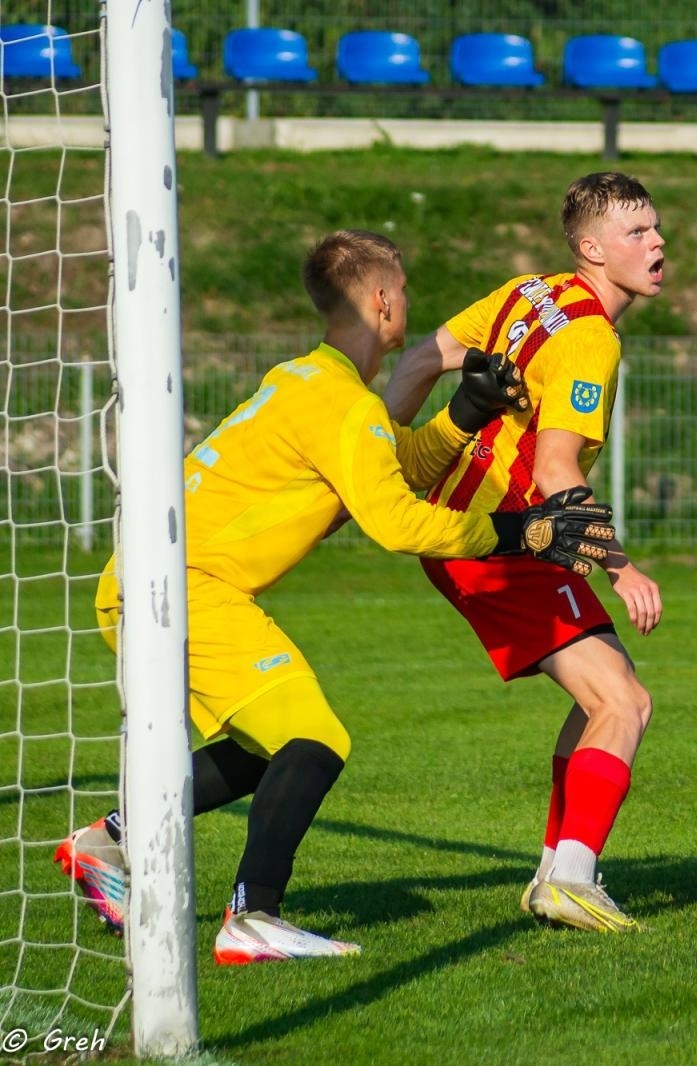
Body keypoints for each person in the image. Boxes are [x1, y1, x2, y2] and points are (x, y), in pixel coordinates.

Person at [54, 229, 594, 964]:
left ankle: (106, 841)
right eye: (400, 291)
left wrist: (465, 413)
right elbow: (398, 520)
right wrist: (523, 535)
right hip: (184, 590)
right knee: (315, 740)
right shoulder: (343, 403)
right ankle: (253, 915)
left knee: (261, 749)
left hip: (153, 581)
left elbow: (389, 465)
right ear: (380, 302)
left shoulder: (306, 378)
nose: (405, 304)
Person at [381, 172, 666, 933]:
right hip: (501, 539)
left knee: (606, 694)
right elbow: (554, 470)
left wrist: (374, 458)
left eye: (656, 228)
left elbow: (417, 361)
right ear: (591, 249)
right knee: (624, 703)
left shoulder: (525, 293)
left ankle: (557, 867)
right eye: (636, 233)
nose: (657, 243)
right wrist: (621, 565)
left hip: (461, 530)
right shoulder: (589, 338)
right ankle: (570, 877)